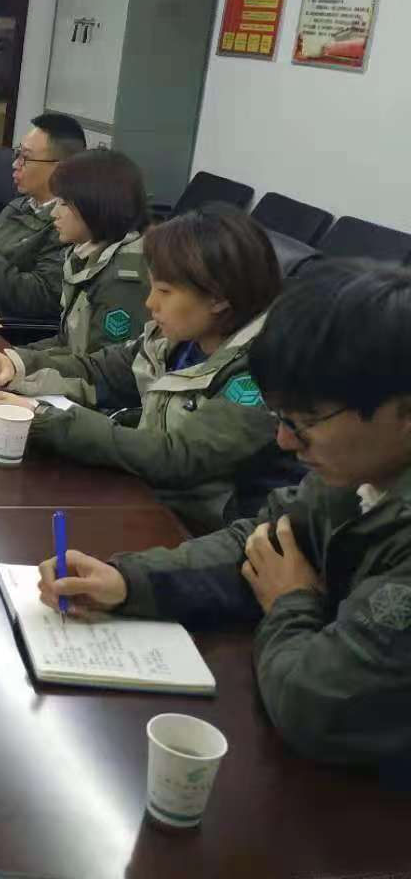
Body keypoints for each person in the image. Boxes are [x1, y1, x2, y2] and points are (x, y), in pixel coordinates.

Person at [36, 261, 411, 771]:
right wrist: (127, 581)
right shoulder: (356, 471)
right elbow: (258, 543)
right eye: (282, 418)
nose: (285, 441)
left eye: (305, 422)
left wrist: (291, 602)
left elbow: (318, 705)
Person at [0, 206, 285, 534]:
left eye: (164, 291)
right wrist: (19, 364)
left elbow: (176, 457)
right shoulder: (178, 338)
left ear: (218, 299)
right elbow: (101, 370)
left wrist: (47, 420)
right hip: (139, 495)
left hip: (192, 532)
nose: (149, 304)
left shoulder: (260, 372)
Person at [0, 148, 150, 363]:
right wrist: (13, 357)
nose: (53, 213)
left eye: (64, 203)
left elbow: (106, 369)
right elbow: (67, 342)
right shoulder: (86, 254)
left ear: (95, 205)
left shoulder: (123, 280)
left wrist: (23, 365)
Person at [0, 113, 87, 320]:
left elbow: (40, 297)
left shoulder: (69, 224)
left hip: (2, 327)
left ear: (60, 167)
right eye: (17, 154)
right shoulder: (18, 205)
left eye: (25, 158)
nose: (15, 164)